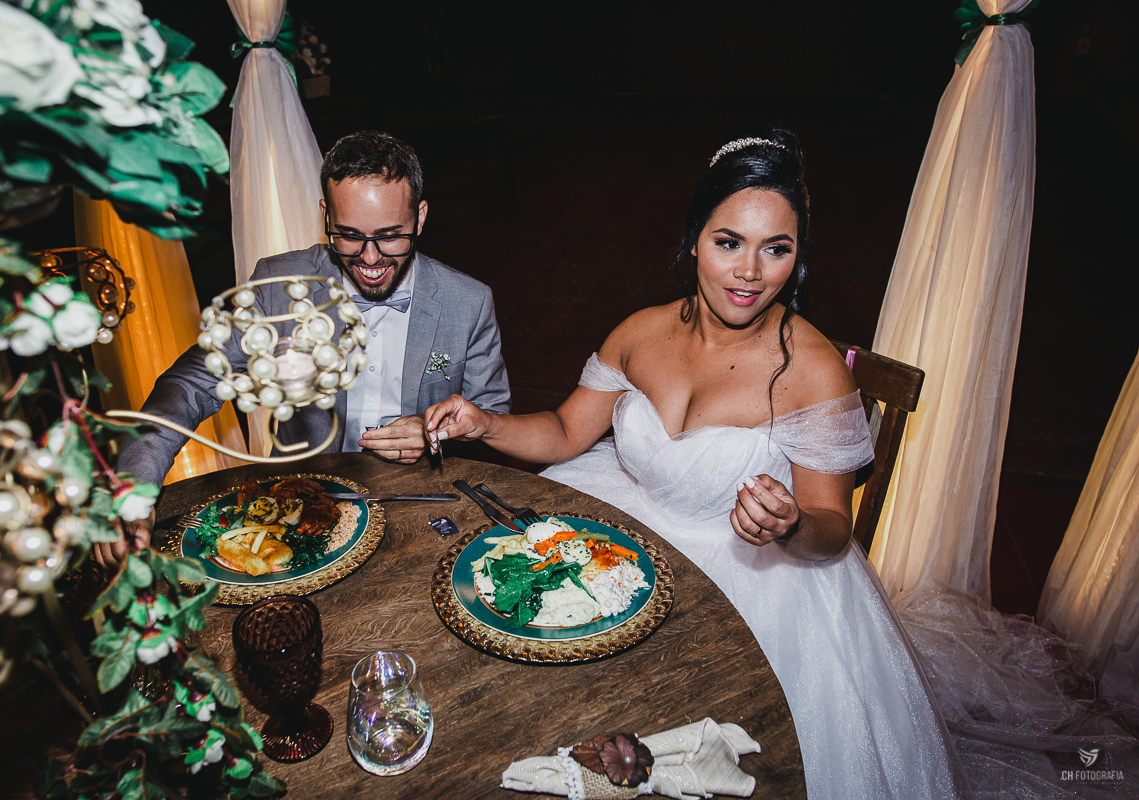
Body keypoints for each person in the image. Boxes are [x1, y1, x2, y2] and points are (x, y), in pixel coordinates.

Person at [425, 130, 969, 799]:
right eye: (728, 242)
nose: (749, 271)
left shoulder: (814, 369)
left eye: (777, 249)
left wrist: (791, 524)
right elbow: (568, 430)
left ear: (797, 260)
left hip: (754, 583)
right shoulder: (640, 332)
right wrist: (485, 424)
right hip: (627, 536)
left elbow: (833, 529)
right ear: (694, 238)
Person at [116, 130, 511, 491]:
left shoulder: (468, 302)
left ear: (420, 217)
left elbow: (492, 417)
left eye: (390, 237)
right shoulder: (279, 285)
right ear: (326, 215)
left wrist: (435, 435)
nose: (370, 258)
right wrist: (135, 481)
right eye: (349, 236)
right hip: (303, 496)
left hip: (423, 496)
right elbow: (192, 383)